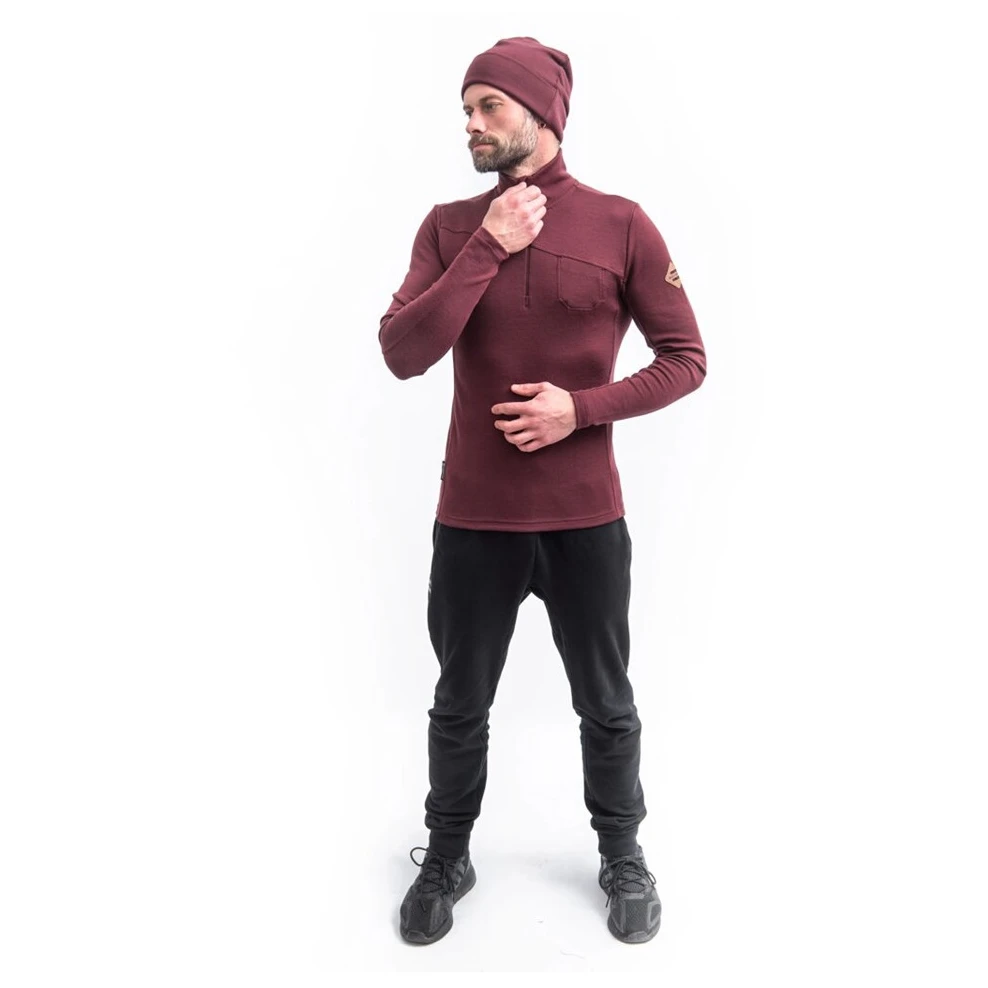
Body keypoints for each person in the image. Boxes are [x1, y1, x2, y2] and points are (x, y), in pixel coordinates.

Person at [378, 36, 706, 946]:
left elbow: (686, 359)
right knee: (459, 703)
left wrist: (581, 409)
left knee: (607, 701)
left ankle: (622, 854)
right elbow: (402, 354)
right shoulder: (449, 228)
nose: (471, 124)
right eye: (466, 109)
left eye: (488, 105)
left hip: (584, 520)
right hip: (473, 520)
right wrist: (488, 245)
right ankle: (448, 855)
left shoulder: (621, 224)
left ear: (542, 114)